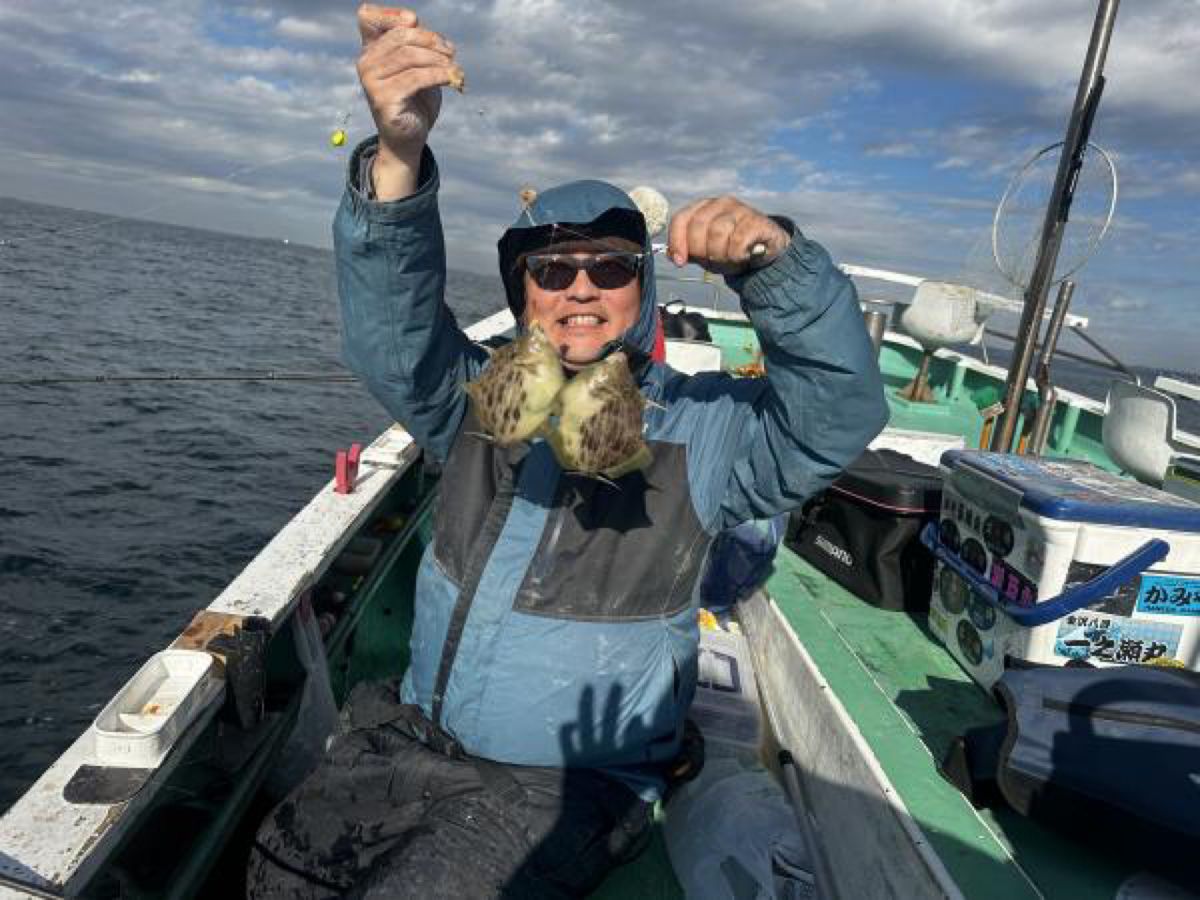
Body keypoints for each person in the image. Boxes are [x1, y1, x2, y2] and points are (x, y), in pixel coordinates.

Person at [247, 4, 889, 897]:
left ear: (645, 287)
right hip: (411, 735)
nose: (579, 287)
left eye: (610, 268)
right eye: (551, 272)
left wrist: (774, 264)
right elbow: (392, 334)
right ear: (524, 294)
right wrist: (396, 153)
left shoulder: (705, 431)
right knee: (277, 875)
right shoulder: (478, 401)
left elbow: (834, 414)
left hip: (563, 788)